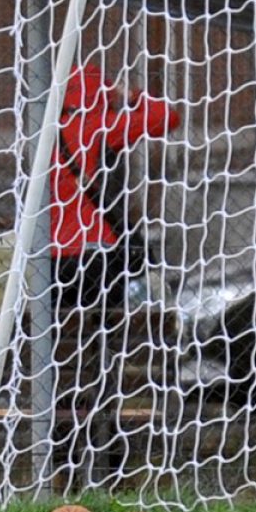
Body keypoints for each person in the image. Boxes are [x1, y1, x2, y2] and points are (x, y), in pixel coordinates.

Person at [50, 64, 179, 479]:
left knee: (58, 351)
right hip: (98, 255)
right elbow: (167, 116)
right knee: (101, 351)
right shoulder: (102, 126)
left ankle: (61, 433)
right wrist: (129, 93)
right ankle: (104, 433)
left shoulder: (42, 132)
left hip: (50, 260)